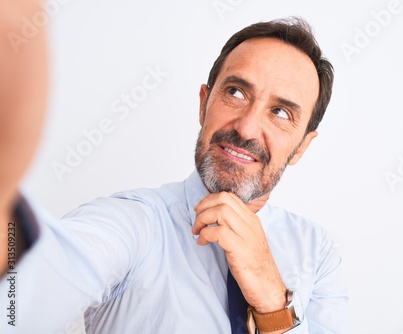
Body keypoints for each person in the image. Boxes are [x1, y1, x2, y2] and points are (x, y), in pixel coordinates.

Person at [0, 4, 348, 333]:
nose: (246, 128)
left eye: (281, 113)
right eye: (237, 92)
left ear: (302, 146)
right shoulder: (135, 224)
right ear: (203, 104)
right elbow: (18, 306)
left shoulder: (317, 253)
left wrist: (272, 300)